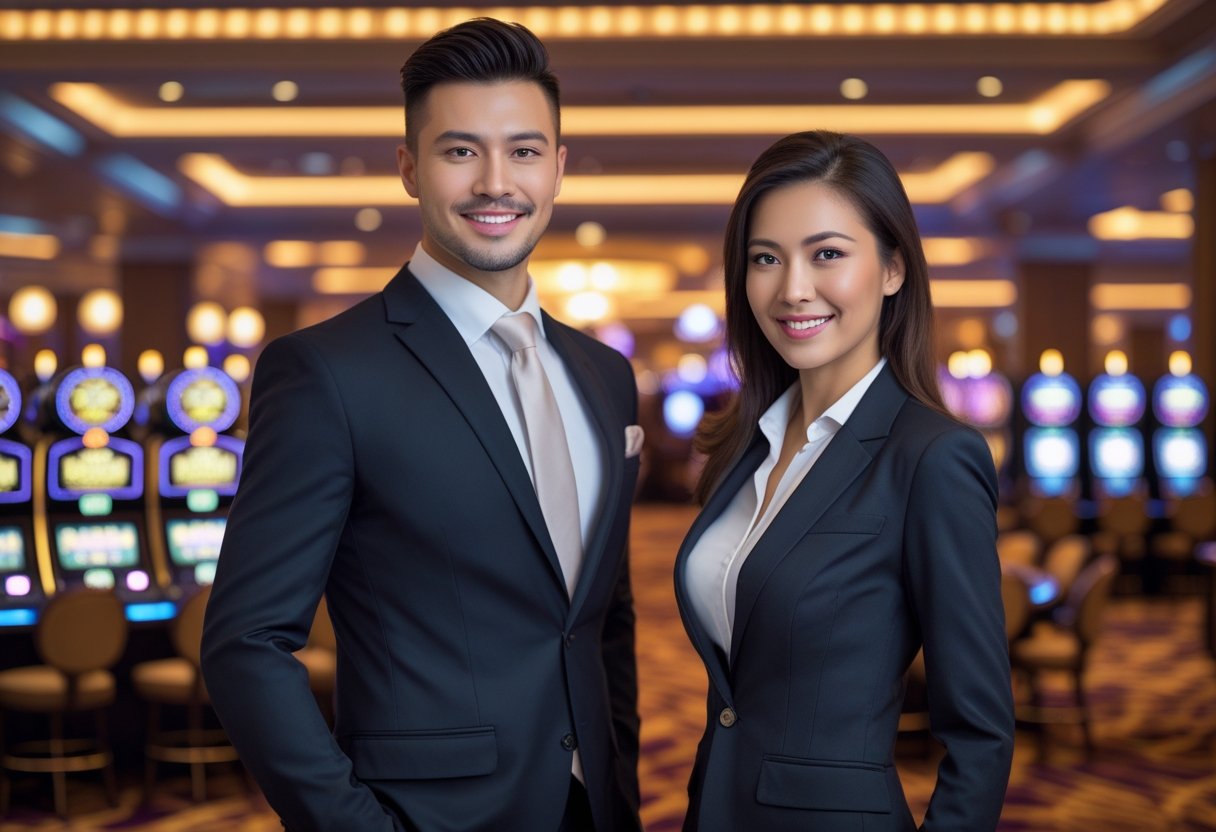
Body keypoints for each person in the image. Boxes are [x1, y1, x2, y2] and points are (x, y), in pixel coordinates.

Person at [201, 18, 643, 832]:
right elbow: (246, 644)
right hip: (430, 814)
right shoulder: (326, 371)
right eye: (460, 150)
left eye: (524, 150)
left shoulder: (605, 377)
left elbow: (602, 621)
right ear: (409, 168)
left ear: (558, 168)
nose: (495, 183)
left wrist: (620, 783)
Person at [674, 131, 1014, 831]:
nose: (793, 288)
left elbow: (980, 736)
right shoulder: (744, 444)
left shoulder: (932, 457)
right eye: (766, 258)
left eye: (827, 254)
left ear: (893, 268)